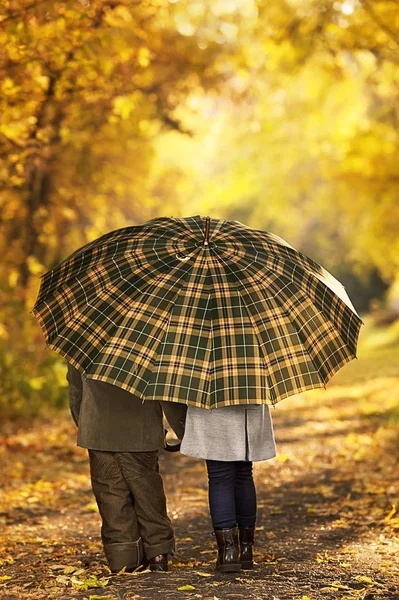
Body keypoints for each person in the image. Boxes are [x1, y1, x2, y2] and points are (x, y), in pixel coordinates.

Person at [66, 362, 187, 573]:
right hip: (140, 427)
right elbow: (168, 389)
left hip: (98, 427)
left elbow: (76, 388)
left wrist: (85, 423)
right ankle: (158, 552)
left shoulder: (89, 336)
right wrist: (183, 428)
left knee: (110, 494)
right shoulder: (151, 335)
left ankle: (122, 555)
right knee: (147, 492)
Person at [180, 403, 276, 572]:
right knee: (244, 475)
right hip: (248, 406)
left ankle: (228, 552)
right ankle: (246, 551)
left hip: (211, 410)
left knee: (220, 477)